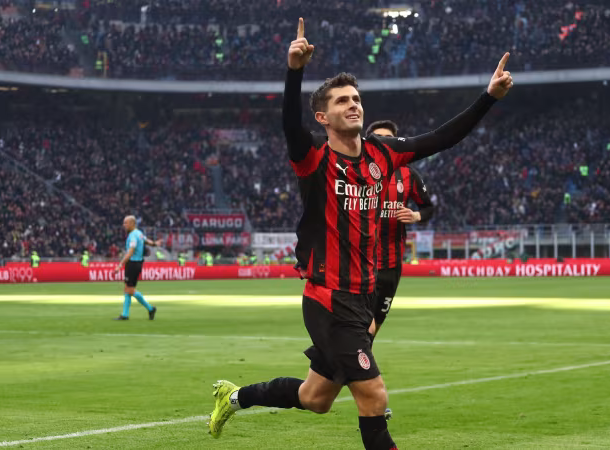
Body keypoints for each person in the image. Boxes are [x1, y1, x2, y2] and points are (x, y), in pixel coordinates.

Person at [207, 18, 513, 449]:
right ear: (322, 116)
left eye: (356, 98)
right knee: (374, 396)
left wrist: (488, 98)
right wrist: (294, 71)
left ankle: (235, 397)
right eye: (342, 101)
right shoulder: (313, 159)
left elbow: (442, 138)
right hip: (328, 298)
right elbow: (290, 126)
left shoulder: (382, 154)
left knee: (315, 398)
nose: (353, 105)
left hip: (363, 295)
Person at [365, 120, 435, 339]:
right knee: (362, 327)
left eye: (389, 138)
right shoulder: (356, 171)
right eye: (379, 138)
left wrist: (416, 216)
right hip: (361, 264)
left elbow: (428, 207)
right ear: (368, 143)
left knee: (375, 326)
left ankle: (354, 359)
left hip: (391, 266)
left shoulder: (408, 174)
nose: (384, 142)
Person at [112, 216, 162, 320]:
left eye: (126, 223)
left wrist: (120, 265)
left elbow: (130, 251)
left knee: (130, 290)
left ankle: (150, 308)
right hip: (137, 263)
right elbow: (146, 241)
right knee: (127, 288)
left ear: (132, 223)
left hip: (132, 264)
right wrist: (154, 243)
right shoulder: (139, 233)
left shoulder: (133, 236)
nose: (124, 225)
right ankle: (125, 314)